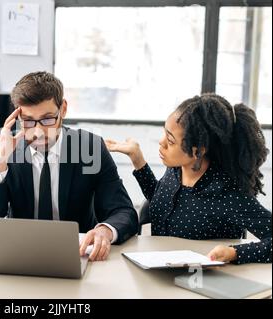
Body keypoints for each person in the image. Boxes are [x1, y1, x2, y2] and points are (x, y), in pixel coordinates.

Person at [0, 71, 138, 261]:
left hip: (78, 253)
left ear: (63, 109)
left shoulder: (90, 147)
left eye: (47, 119)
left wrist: (105, 230)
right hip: (20, 253)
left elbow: (123, 211)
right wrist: (1, 162)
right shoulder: (3, 147)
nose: (39, 131)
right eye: (28, 121)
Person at [105, 93, 271, 264]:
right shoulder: (175, 170)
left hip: (199, 282)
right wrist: (137, 158)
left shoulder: (228, 193)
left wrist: (233, 253)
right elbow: (158, 200)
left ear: (198, 150)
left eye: (170, 141)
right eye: (165, 134)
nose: (161, 143)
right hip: (159, 273)